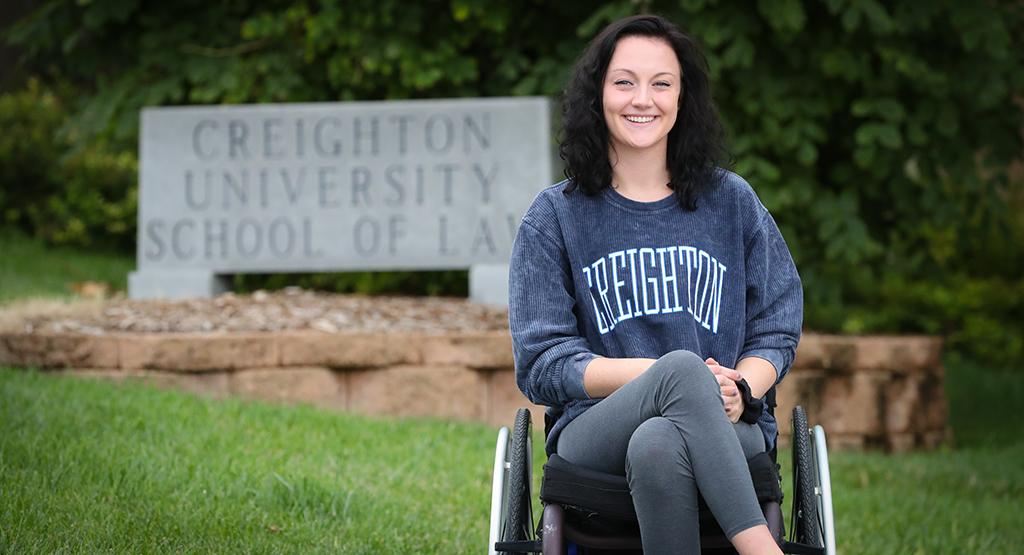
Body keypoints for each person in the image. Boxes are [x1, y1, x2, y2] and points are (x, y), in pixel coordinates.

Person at [507, 14, 802, 555]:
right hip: (595, 429)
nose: (643, 99)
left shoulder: (732, 202)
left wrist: (742, 389)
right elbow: (542, 364)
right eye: (624, 81)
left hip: (727, 421)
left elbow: (777, 328)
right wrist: (665, 376)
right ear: (598, 95)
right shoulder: (554, 217)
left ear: (682, 98)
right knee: (679, 372)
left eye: (661, 83)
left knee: (659, 441)